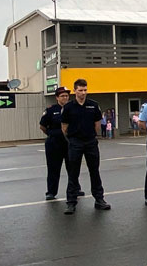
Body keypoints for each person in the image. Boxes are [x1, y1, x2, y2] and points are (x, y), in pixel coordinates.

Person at [61, 78, 111, 214]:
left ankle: (99, 200)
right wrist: (72, 139)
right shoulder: (68, 107)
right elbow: (64, 127)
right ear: (75, 91)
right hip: (75, 142)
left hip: (90, 142)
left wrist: (92, 136)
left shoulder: (93, 105)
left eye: (85, 90)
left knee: (94, 171)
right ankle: (71, 202)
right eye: (80, 90)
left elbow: (97, 124)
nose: (83, 93)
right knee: (73, 173)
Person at [39, 86, 84, 201]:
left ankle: (75, 189)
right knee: (53, 168)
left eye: (67, 96)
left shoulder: (73, 108)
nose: (65, 98)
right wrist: (52, 134)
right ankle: (51, 192)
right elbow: (42, 126)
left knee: (73, 167)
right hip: (54, 143)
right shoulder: (51, 110)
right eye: (62, 96)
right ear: (57, 98)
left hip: (69, 143)